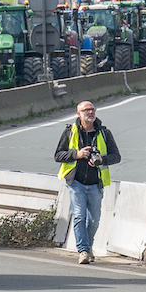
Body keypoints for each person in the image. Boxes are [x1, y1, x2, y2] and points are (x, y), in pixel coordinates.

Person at [53, 99, 121, 264]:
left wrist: (101, 159)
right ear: (79, 114)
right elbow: (58, 155)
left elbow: (116, 156)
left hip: (95, 183)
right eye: (86, 110)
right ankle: (83, 251)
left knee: (94, 219)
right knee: (79, 216)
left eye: (92, 110)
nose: (90, 113)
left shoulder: (104, 133)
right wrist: (77, 155)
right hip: (75, 182)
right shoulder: (70, 131)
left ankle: (88, 247)